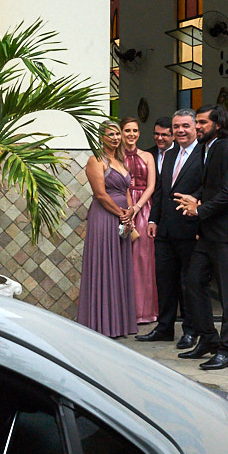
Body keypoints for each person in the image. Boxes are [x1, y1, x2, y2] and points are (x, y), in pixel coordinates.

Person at [174, 105, 228, 370]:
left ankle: (227, 351)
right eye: (196, 122)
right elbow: (211, 187)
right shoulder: (209, 148)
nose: (197, 126)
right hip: (209, 233)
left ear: (218, 124)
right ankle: (208, 338)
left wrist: (199, 210)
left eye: (202, 122)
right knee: (193, 282)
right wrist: (195, 198)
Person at [137, 110, 200, 347]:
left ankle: (190, 330)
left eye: (185, 126)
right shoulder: (169, 155)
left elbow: (207, 189)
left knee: (188, 284)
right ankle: (164, 328)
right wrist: (153, 220)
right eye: (177, 126)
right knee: (164, 281)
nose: (180, 130)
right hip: (164, 230)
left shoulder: (203, 154)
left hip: (190, 227)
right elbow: (161, 191)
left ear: (195, 128)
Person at [77, 121, 137, 337]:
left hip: (122, 217)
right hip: (104, 218)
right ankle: (100, 323)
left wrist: (130, 211)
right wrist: (121, 213)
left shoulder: (121, 161)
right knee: (104, 265)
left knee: (119, 267)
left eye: (117, 134)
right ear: (101, 137)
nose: (115, 138)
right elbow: (101, 195)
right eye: (110, 134)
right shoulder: (96, 160)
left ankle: (118, 323)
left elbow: (127, 190)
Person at [120, 116, 157, 324]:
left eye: (135, 130)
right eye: (127, 130)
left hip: (143, 206)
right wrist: (127, 209)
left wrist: (137, 207)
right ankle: (123, 309)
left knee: (143, 259)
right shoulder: (115, 157)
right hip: (122, 207)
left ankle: (144, 310)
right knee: (123, 258)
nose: (131, 134)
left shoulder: (148, 156)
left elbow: (151, 185)